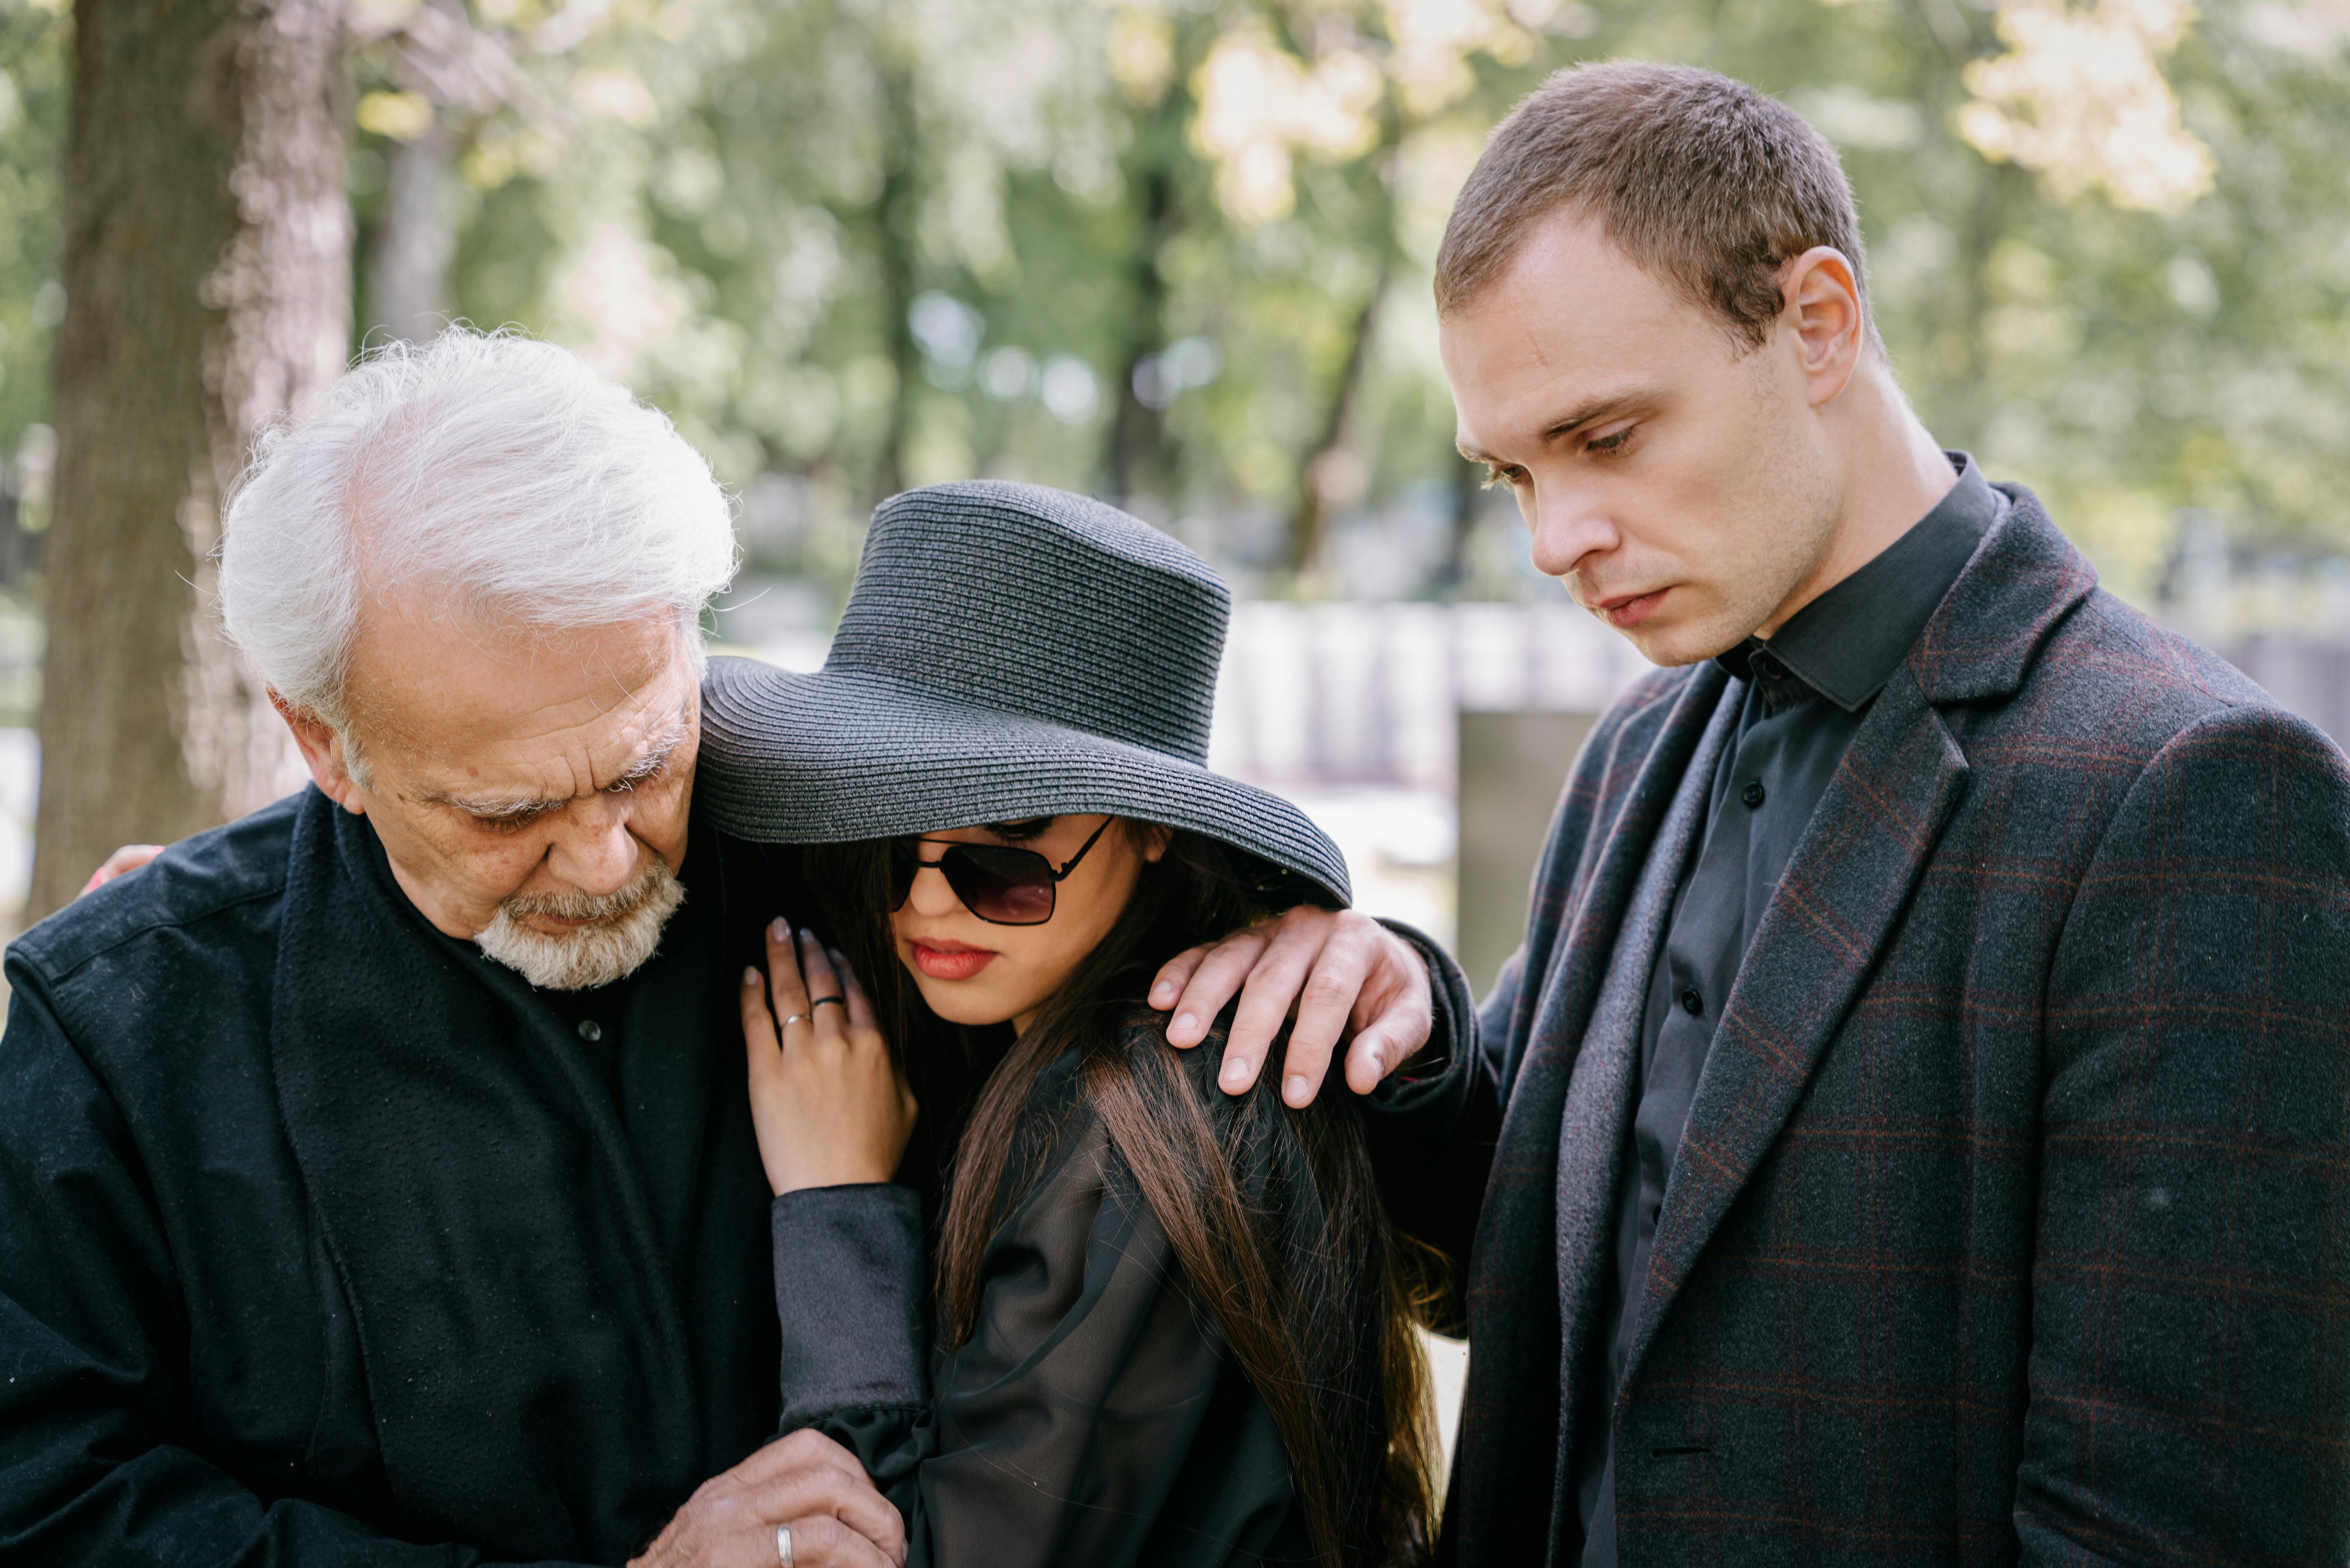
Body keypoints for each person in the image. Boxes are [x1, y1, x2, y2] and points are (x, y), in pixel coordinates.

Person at [0, 330, 1458, 1567]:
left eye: (643, 766)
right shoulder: (122, 1032)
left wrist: (1382, 997)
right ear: (325, 742)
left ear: (687, 649)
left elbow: (1401, 1217)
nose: (606, 855)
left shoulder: (874, 857)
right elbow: (48, 1499)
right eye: (506, 810)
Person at [1413, 62, 2350, 1564]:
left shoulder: (2194, 795)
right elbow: (1512, 1261)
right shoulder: (1640, 744)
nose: (1553, 537)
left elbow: (2176, 1530)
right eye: (1510, 472)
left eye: (1605, 439)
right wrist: (1385, 1013)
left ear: (1821, 323)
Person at [657, 480, 1458, 1568]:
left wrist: (837, 1204)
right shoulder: (1042, 1054)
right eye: (887, 834)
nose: (927, 900)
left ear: (1152, 830)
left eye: (1006, 851)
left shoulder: (1139, 1125)